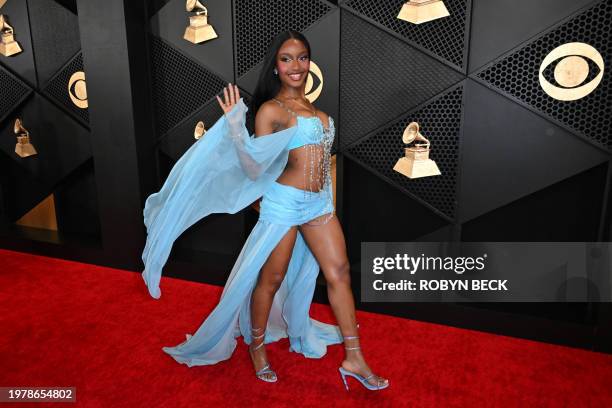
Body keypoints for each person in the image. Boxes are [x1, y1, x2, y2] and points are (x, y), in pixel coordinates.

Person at [141, 30, 388, 391]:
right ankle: (257, 348)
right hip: (284, 205)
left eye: (302, 57)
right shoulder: (273, 110)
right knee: (270, 280)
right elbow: (255, 169)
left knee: (339, 272)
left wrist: (326, 198)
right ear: (275, 66)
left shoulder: (318, 112)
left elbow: (322, 165)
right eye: (286, 59)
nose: (296, 66)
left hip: (319, 204)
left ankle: (354, 357)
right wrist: (237, 131)